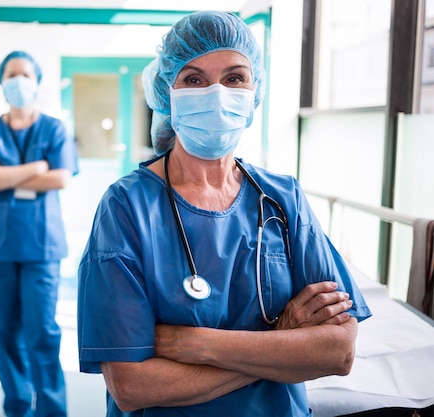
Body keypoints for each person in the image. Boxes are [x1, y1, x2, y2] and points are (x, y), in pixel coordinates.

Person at [77, 11, 372, 417]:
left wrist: (199, 345)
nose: (216, 93)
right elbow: (132, 385)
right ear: (167, 93)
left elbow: (338, 352)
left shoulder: (282, 198)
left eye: (235, 78)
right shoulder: (127, 208)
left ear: (255, 91)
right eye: (194, 80)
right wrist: (281, 342)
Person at [0, 50, 78, 417]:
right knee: (2, 333)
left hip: (40, 247)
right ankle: (17, 405)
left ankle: (50, 409)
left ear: (37, 82)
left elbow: (61, 177)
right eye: (11, 75)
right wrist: (36, 167)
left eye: (25, 74)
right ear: (1, 83)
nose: (18, 81)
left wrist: (6, 174)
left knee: (42, 334)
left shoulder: (54, 128)